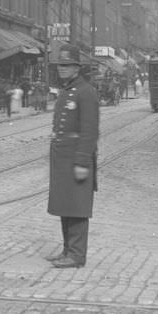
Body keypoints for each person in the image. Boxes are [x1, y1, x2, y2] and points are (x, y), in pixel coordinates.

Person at [46, 43, 99, 269]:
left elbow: (89, 131)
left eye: (67, 65)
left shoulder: (86, 92)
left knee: (76, 207)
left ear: (77, 67)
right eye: (60, 64)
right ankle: (68, 250)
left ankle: (77, 255)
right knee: (65, 205)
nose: (62, 68)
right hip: (62, 159)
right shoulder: (67, 91)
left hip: (76, 158)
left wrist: (82, 161)